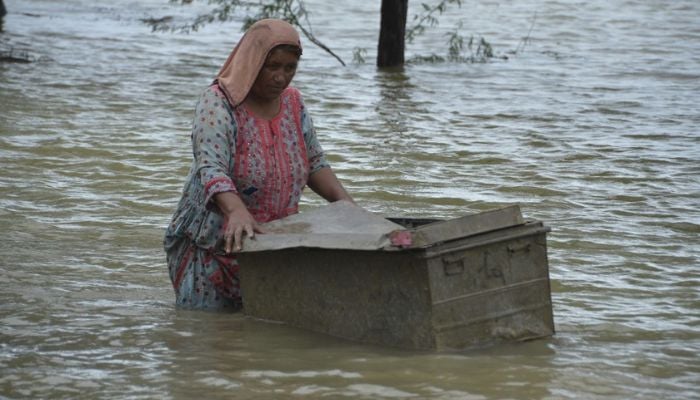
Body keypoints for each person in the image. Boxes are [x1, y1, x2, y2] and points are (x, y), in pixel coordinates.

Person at [164, 19, 353, 310]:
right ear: (253, 61)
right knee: (208, 339)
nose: (281, 77)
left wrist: (348, 207)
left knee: (260, 336)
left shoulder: (293, 103)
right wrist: (236, 211)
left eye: (290, 68)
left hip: (269, 248)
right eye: (272, 66)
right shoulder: (218, 102)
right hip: (210, 246)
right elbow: (211, 167)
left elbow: (314, 161)